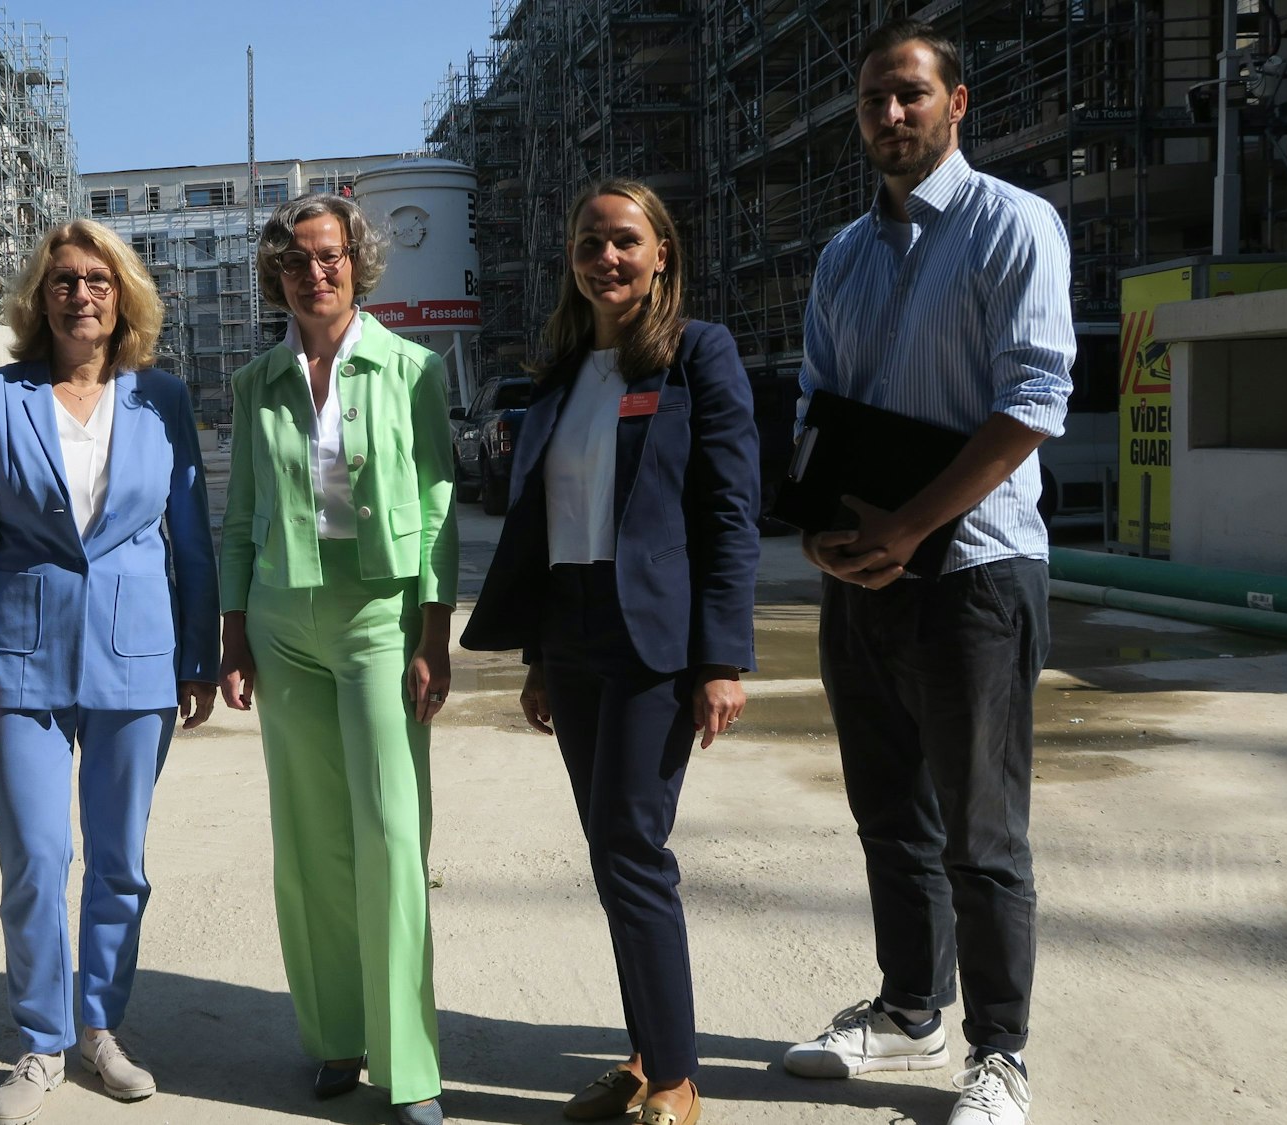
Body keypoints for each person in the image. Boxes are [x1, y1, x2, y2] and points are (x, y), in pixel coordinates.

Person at [780, 18, 1073, 1125]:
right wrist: (817, 532)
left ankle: (1000, 1053)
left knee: (980, 832)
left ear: (957, 103)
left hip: (975, 576)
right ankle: (910, 1011)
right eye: (872, 100)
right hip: (861, 578)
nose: (889, 114)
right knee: (887, 814)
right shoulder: (843, 256)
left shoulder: (1011, 226)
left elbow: (1032, 400)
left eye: (908, 94)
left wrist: (910, 526)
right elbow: (816, 407)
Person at [463, 179, 760, 1125]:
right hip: (572, 628)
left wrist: (722, 657)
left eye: (626, 240)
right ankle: (641, 1056)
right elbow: (547, 521)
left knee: (632, 845)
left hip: (653, 639)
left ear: (661, 252)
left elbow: (729, 511)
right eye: (590, 242)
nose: (607, 257)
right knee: (608, 851)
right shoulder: (559, 371)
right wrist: (538, 656)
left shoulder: (695, 355)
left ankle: (676, 1078)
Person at [0, 219, 218, 1125]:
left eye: (99, 280)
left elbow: (190, 535)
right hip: (20, 656)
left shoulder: (160, 398)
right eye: (64, 279)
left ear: (123, 295)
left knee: (119, 859)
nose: (81, 295)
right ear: (41, 296)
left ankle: (99, 1024)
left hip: (137, 653)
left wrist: (199, 653)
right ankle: (41, 1037)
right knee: (34, 854)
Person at [217, 193, 458, 1125]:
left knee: (393, 835)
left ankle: (410, 1061)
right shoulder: (257, 382)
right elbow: (243, 513)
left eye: (329, 256)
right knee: (309, 839)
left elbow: (437, 505)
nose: (313, 273)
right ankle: (336, 1034)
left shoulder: (411, 368)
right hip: (284, 620)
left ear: (358, 262)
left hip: (379, 618)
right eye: (294, 260)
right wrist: (235, 628)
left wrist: (434, 629)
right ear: (275, 274)